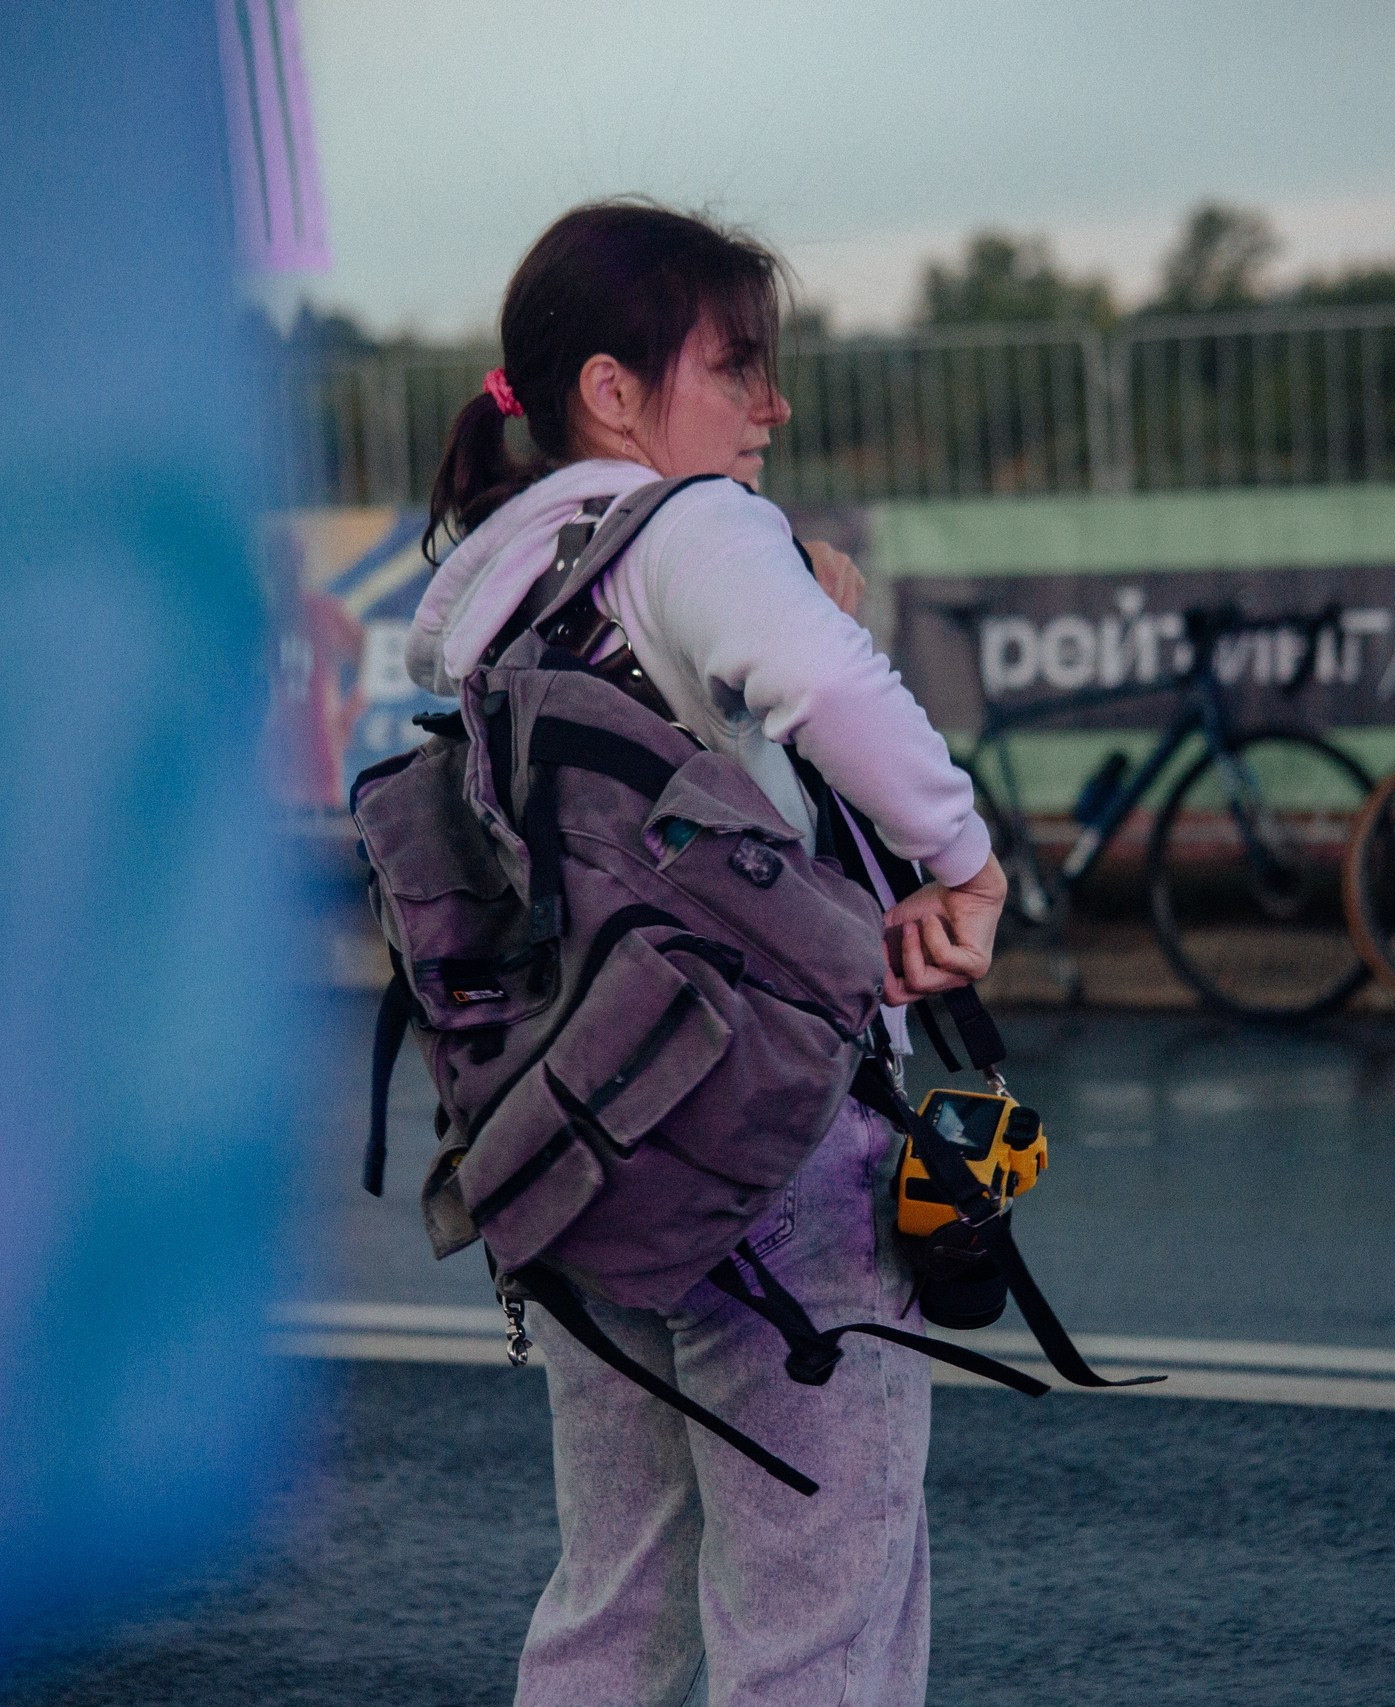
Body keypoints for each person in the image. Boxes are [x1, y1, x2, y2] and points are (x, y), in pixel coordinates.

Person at [407, 201, 1006, 1707]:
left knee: (614, 1607)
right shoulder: (687, 530)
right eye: (737, 366)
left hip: (583, 1143)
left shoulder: (491, 578)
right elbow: (816, 681)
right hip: (768, 1146)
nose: (772, 404)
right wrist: (964, 857)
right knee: (817, 1622)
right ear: (616, 391)